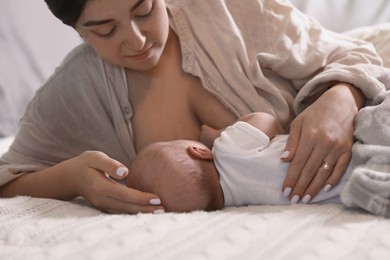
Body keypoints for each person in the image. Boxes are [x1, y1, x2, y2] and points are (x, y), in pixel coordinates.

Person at [0, 0, 387, 214]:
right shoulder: (75, 91)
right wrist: (72, 179)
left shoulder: (232, 12)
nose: (136, 40)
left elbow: (354, 54)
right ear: (78, 31)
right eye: (106, 29)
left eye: (143, 11)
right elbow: (8, 174)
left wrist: (341, 96)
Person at [126, 112, 351, 212]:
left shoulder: (237, 201)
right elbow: (266, 119)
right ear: (198, 151)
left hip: (342, 186)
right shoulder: (227, 149)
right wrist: (220, 134)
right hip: (339, 150)